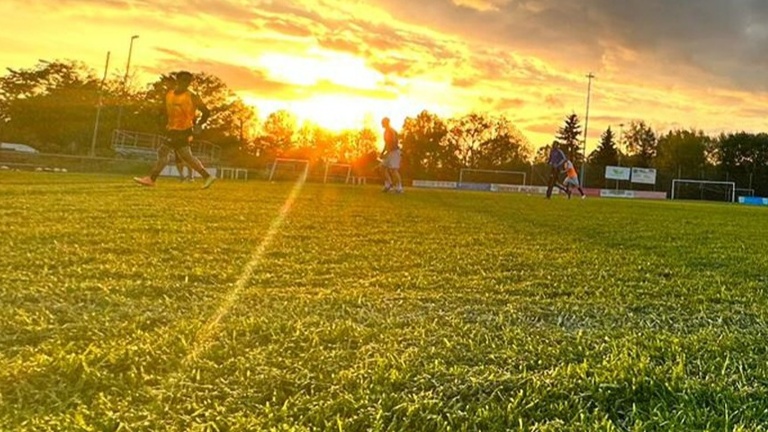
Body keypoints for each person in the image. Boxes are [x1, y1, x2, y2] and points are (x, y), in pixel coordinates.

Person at [133, 71, 216, 189]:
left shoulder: (192, 96)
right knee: (185, 156)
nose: (185, 83)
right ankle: (207, 176)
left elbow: (206, 112)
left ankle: (151, 179)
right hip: (172, 129)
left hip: (183, 130)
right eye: (183, 80)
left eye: (188, 81)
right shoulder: (169, 94)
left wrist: (199, 124)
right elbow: (164, 111)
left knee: (164, 151)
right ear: (177, 80)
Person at [380, 117, 403, 193]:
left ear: (386, 123)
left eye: (383, 122)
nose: (381, 124)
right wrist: (383, 152)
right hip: (389, 152)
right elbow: (386, 143)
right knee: (382, 168)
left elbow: (393, 142)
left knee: (394, 170)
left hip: (394, 152)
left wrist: (387, 152)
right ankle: (389, 185)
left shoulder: (391, 131)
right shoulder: (385, 132)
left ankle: (399, 187)